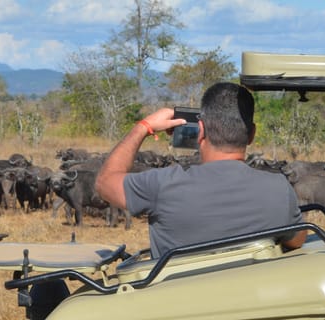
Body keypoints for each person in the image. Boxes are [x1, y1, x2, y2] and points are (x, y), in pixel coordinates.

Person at [95, 82, 307, 258]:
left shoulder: (161, 185)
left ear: (201, 130)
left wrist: (143, 127)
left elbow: (104, 182)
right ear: (251, 135)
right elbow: (298, 240)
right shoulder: (279, 189)